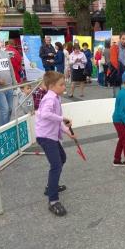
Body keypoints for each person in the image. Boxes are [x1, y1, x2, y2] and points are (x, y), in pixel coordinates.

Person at [35, 71, 76, 216]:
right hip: (45, 137)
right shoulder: (50, 99)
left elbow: (56, 121)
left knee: (62, 159)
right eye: (61, 84)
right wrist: (63, 118)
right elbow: (46, 114)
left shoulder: (56, 97)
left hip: (51, 136)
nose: (64, 86)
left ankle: (51, 186)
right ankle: (53, 201)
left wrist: (67, 131)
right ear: (52, 86)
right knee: (56, 165)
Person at [108, 33, 125, 97]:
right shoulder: (114, 47)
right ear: (120, 39)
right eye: (123, 39)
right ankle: (116, 106)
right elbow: (113, 61)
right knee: (117, 94)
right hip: (117, 73)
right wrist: (124, 69)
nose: (124, 41)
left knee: (124, 94)